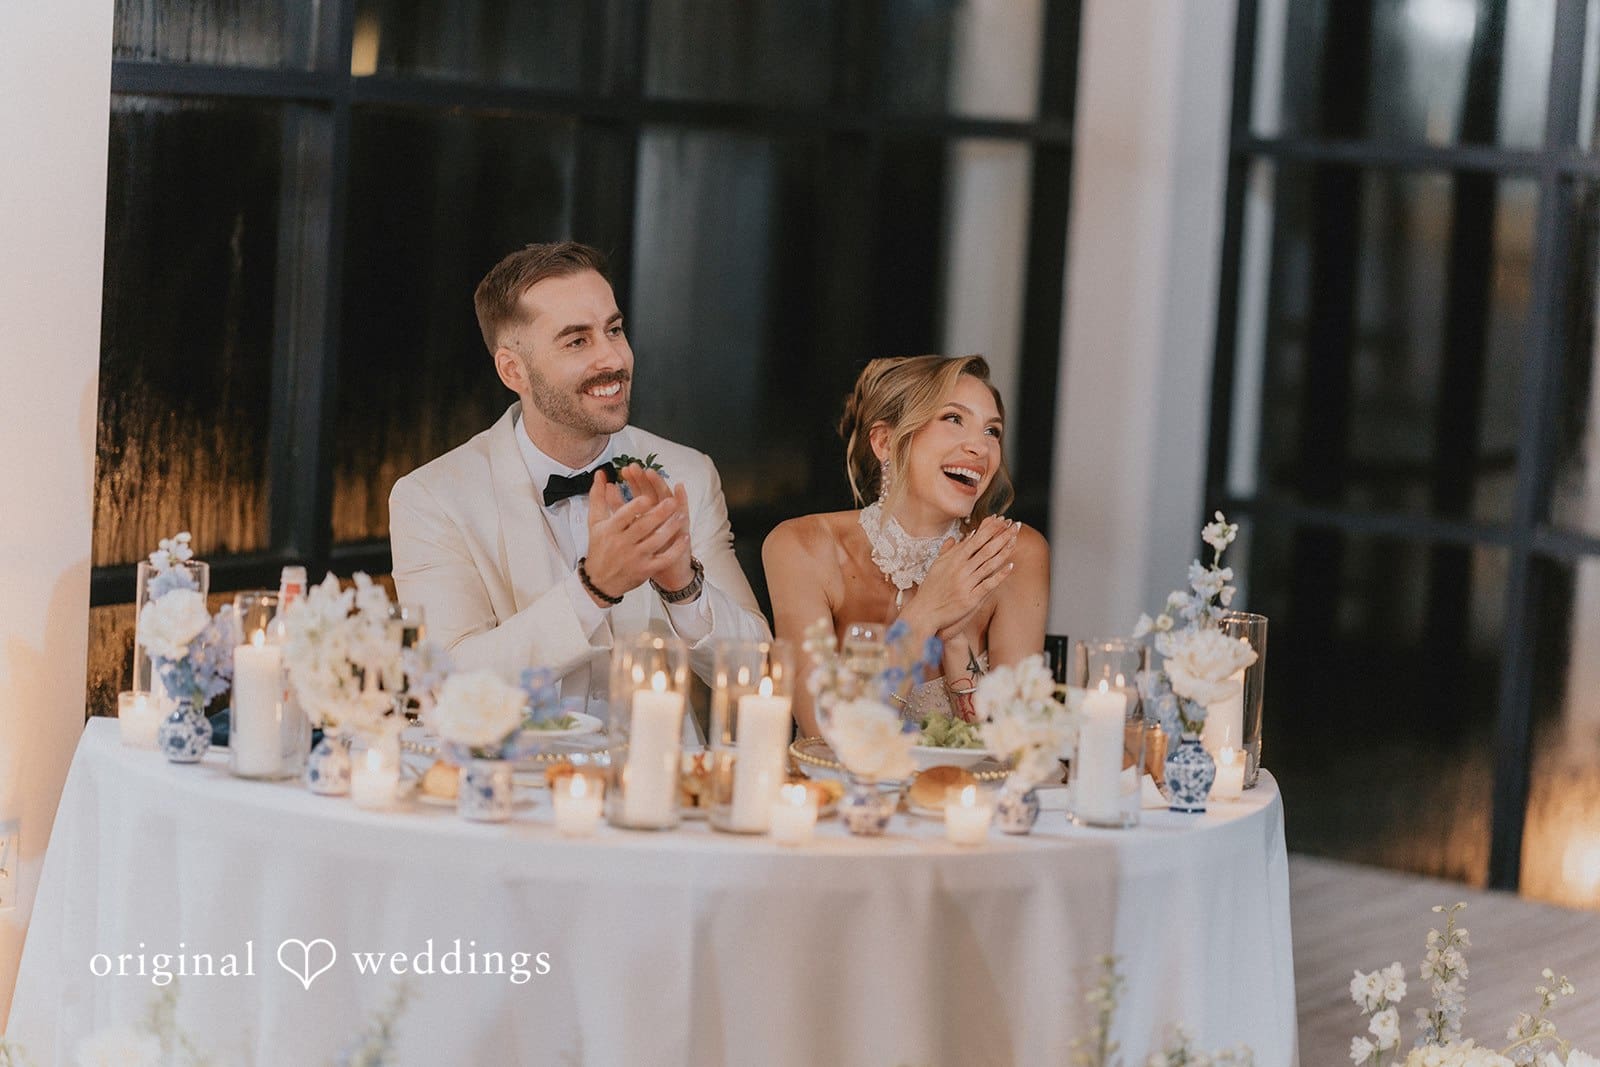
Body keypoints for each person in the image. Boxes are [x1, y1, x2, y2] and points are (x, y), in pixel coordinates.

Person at [389, 241, 770, 718]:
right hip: (512, 763)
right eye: (577, 341)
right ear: (513, 370)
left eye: (614, 330)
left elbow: (759, 676)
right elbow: (443, 686)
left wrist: (683, 587)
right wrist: (593, 590)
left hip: (650, 763)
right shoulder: (432, 498)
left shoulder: (687, 474)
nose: (613, 358)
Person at [763, 355, 1049, 737]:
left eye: (992, 431)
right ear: (884, 442)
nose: (981, 448)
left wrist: (955, 643)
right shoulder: (802, 546)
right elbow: (825, 735)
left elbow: (1015, 746)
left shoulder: (1013, 552)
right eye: (954, 418)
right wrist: (927, 612)